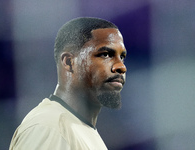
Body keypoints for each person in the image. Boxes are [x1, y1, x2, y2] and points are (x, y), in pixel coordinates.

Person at [9, 17, 127, 150]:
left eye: (122, 57)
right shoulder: (50, 127)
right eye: (105, 54)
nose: (121, 67)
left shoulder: (77, 128)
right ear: (69, 62)